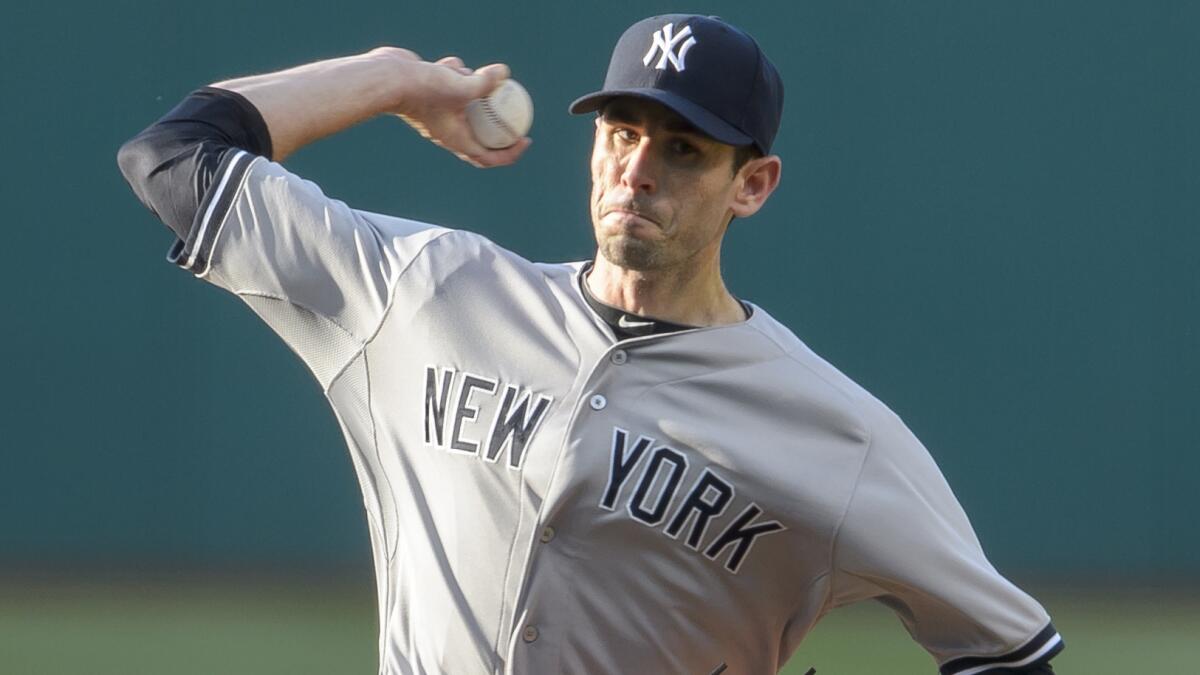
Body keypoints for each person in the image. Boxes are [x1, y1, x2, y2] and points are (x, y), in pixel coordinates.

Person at [118, 13, 1064, 675]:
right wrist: (395, 77)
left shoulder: (839, 436)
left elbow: (1007, 649)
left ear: (755, 183)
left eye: (684, 149)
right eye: (621, 131)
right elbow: (175, 155)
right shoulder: (429, 290)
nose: (637, 169)